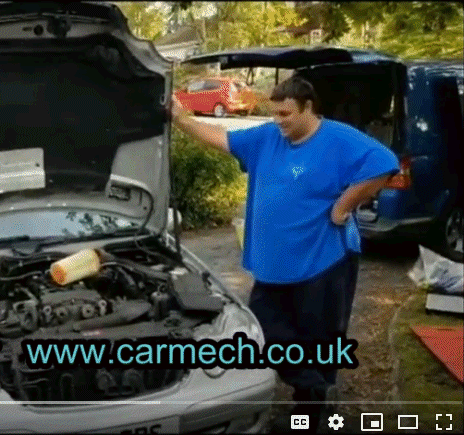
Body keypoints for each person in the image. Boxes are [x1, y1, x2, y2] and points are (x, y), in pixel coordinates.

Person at [171, 76, 399, 432]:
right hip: (273, 265)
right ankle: (314, 387)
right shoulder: (267, 137)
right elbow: (221, 138)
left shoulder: (337, 138)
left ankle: (310, 413)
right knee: (263, 328)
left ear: (308, 108)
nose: (278, 120)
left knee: (319, 337)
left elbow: (384, 163)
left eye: (286, 114)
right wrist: (181, 118)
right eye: (275, 113)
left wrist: (344, 206)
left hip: (323, 261)